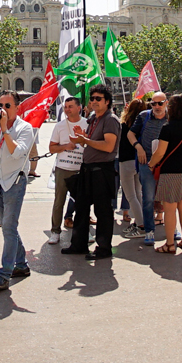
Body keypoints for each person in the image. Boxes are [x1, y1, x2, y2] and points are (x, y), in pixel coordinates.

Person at [0, 92, 33, 291]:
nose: (3, 110)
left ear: (17, 107)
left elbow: (18, 152)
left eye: (7, 105)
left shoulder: (24, 128)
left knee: (9, 228)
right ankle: (21, 265)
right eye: (0, 105)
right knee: (7, 227)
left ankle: (4, 274)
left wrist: (5, 131)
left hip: (14, 183)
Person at [62, 85, 121, 258]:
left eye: (98, 99)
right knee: (81, 208)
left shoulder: (110, 120)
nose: (94, 101)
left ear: (107, 101)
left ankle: (103, 248)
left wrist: (85, 140)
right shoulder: (94, 118)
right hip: (88, 169)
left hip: (102, 170)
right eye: (92, 98)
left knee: (102, 211)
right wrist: (82, 137)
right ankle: (78, 245)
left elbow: (109, 146)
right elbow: (90, 142)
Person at [145, 92, 182, 254]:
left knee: (169, 208)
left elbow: (160, 152)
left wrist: (151, 164)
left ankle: (169, 243)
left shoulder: (167, 128)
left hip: (170, 172)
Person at [127, 93, 169, 247]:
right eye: (153, 103)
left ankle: (172, 228)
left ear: (166, 103)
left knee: (169, 198)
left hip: (166, 163)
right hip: (146, 162)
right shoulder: (144, 116)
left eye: (160, 103)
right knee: (148, 198)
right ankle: (149, 230)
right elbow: (130, 134)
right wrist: (138, 147)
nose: (157, 107)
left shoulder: (171, 117)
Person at [46, 95, 86, 244]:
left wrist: (83, 139)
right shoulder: (60, 126)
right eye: (65, 107)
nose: (67, 110)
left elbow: (92, 144)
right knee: (59, 201)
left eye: (71, 107)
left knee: (82, 202)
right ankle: (55, 231)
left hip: (81, 168)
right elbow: (52, 148)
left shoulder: (87, 123)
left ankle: (84, 230)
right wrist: (65, 147)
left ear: (79, 108)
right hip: (63, 168)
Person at [117, 98, 147, 235]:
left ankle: (141, 225)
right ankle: (141, 221)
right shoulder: (144, 125)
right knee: (138, 193)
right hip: (139, 160)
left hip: (126, 161)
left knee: (131, 196)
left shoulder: (124, 125)